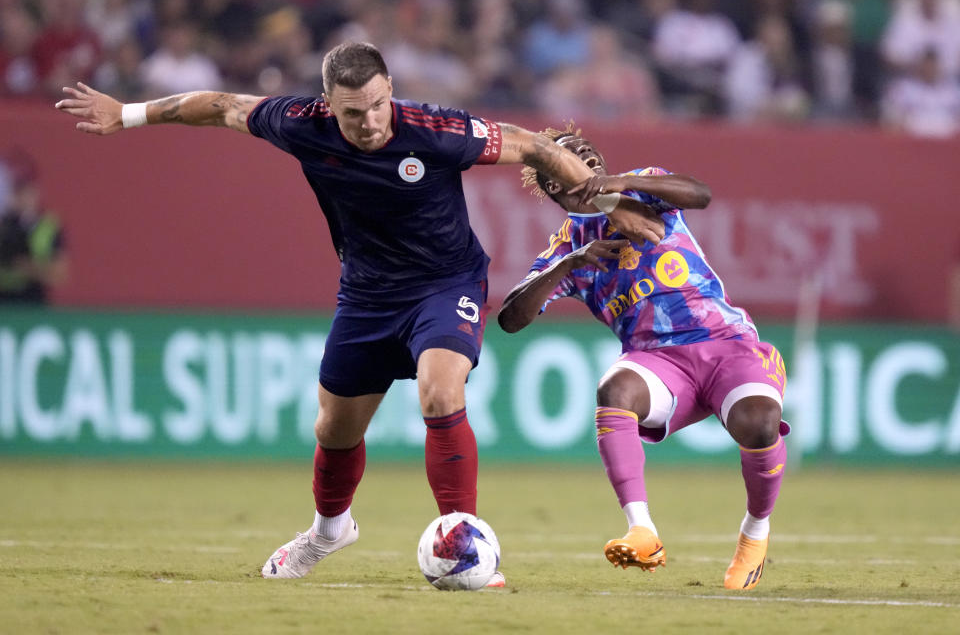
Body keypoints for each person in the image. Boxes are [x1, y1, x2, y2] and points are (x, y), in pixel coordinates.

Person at [54, 41, 664, 585]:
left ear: (389, 90)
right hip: (367, 295)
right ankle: (327, 532)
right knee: (333, 430)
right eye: (352, 112)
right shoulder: (299, 123)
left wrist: (609, 205)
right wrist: (127, 115)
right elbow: (217, 105)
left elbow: (534, 145)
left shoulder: (437, 130)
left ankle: (465, 536)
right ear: (328, 104)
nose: (369, 122)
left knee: (439, 391)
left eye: (376, 105)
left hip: (446, 282)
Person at [498, 124, 789, 590]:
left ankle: (754, 533)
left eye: (592, 153)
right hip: (658, 362)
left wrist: (618, 185)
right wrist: (568, 265)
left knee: (759, 425)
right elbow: (511, 318)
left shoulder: (640, 185)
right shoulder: (569, 246)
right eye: (574, 156)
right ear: (554, 180)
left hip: (725, 342)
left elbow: (700, 194)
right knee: (615, 389)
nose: (590, 160)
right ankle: (643, 531)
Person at [0, 149, 68, 304]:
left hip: (32, 303)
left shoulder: (47, 226)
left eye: (23, 191)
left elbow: (60, 275)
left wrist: (21, 263)